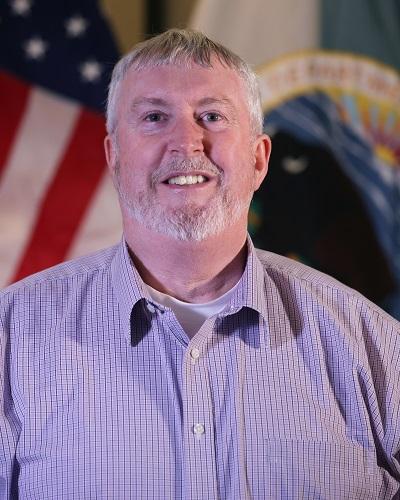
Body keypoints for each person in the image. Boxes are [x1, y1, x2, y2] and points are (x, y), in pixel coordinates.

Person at [1, 28, 400, 500]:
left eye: (212, 116)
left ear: (258, 158)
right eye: (154, 117)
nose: (187, 142)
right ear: (114, 156)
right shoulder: (12, 337)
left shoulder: (372, 343)